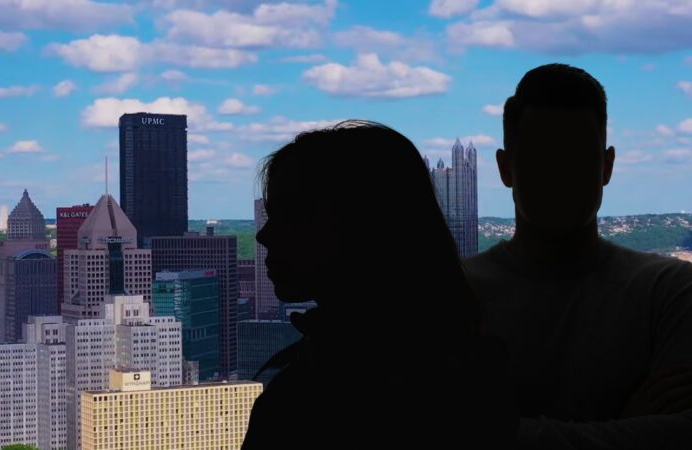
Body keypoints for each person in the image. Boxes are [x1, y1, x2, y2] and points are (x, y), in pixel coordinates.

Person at [241, 120, 518, 449]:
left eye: (292, 215)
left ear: (364, 226)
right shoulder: (477, 378)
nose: (264, 235)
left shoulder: (311, 399)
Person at [464, 63, 692, 449]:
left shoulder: (671, 292)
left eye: (575, 155)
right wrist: (626, 426)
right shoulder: (666, 296)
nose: (559, 174)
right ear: (506, 168)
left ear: (606, 166)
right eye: (542, 156)